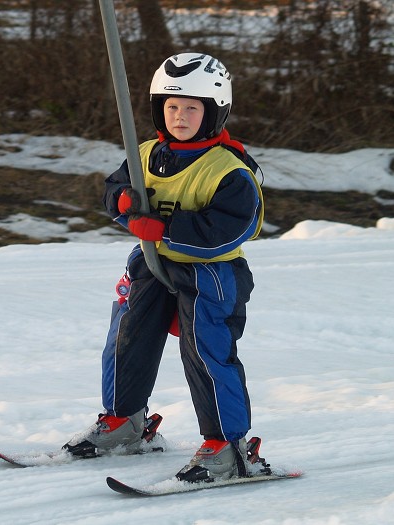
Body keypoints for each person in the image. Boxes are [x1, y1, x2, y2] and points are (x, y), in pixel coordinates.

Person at [63, 53, 265, 483]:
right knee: (127, 336)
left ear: (214, 112)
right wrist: (121, 203)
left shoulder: (229, 170)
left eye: (192, 107)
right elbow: (116, 189)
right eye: (171, 107)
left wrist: (163, 227)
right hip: (151, 262)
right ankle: (124, 423)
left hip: (211, 273)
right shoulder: (146, 154)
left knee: (207, 352)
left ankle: (227, 447)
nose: (180, 116)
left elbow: (230, 230)